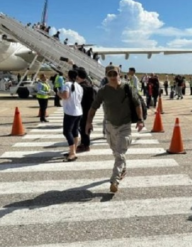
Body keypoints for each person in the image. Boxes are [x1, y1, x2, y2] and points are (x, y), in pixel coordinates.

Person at [86, 65, 144, 193]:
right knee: (116, 152)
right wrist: (88, 122)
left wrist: (140, 120)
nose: (112, 77)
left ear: (119, 74)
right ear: (106, 75)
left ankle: (114, 180)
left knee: (119, 153)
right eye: (109, 74)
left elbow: (137, 104)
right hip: (110, 126)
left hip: (125, 125)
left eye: (114, 74)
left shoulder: (127, 88)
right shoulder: (103, 91)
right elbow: (93, 108)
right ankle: (122, 168)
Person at [58, 70, 83, 162]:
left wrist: (59, 94)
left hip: (70, 112)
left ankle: (72, 153)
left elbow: (65, 96)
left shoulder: (67, 84)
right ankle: (74, 150)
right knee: (75, 131)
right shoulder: (79, 86)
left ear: (68, 75)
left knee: (67, 132)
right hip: (78, 111)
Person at [76, 68, 95, 152]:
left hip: (84, 110)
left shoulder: (82, 87)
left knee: (83, 127)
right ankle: (84, 143)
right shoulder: (88, 84)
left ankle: (85, 144)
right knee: (84, 126)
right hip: (88, 109)